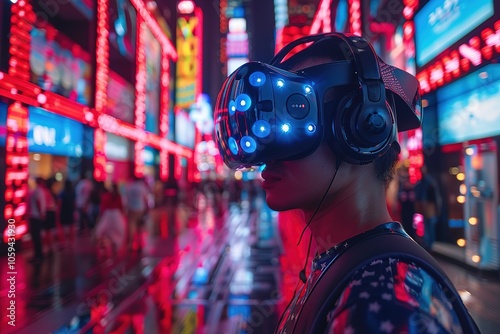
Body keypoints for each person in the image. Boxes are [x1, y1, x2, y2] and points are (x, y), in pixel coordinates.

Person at [214, 33, 478, 333]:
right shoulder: (355, 266)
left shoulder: (381, 299)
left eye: (295, 112)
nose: (266, 154)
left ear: (360, 127)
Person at [94, 183, 126, 257]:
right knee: (118, 234)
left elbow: (103, 207)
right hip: (117, 216)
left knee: (100, 232)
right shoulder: (118, 196)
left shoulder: (106, 196)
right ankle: (115, 250)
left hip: (107, 216)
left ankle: (103, 249)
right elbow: (121, 208)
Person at [414, 165, 442, 250]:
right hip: (427, 205)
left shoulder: (428, 181)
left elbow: (434, 196)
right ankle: (429, 243)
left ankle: (430, 243)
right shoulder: (426, 181)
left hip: (429, 205)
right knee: (427, 225)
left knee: (429, 225)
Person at [124, 175, 151, 251]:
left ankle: (130, 244)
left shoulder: (130, 187)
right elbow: (146, 199)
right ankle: (140, 244)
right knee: (140, 227)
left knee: (132, 227)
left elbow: (126, 199)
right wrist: (148, 209)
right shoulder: (142, 187)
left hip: (131, 209)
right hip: (140, 209)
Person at [27, 177, 47, 263]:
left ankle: (38, 255)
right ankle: (39, 255)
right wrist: (41, 214)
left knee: (36, 237)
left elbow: (36, 202)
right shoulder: (39, 191)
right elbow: (38, 202)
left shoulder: (35, 191)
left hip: (34, 216)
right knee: (37, 237)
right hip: (37, 216)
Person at [59, 179, 76, 247]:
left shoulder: (62, 193)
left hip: (63, 211)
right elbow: (74, 203)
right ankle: (71, 241)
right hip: (70, 211)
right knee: (71, 226)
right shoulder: (72, 193)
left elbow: (59, 203)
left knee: (62, 227)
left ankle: (63, 241)